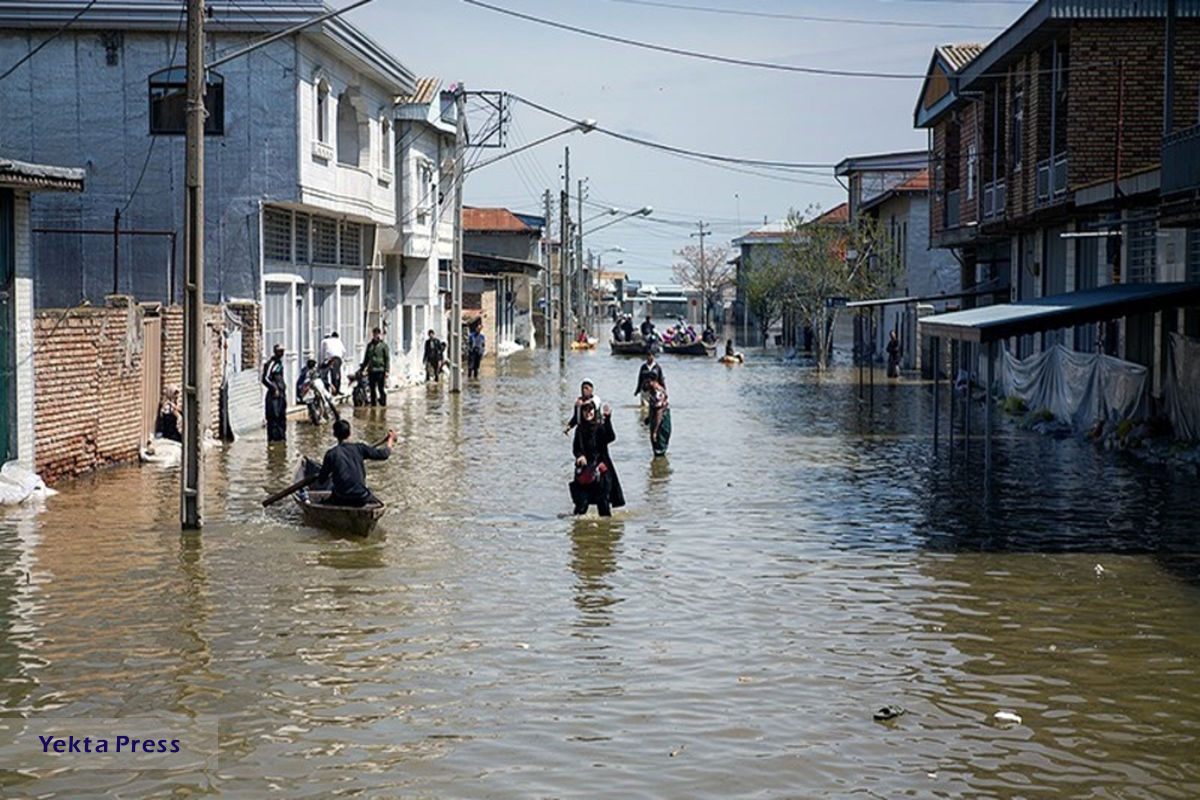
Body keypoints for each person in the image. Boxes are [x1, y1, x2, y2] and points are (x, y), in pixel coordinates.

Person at [316, 419, 396, 507]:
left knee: (326, 498)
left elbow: (321, 480)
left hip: (341, 498)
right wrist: (390, 441)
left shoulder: (331, 454)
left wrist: (329, 472)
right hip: (361, 498)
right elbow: (384, 454)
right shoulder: (360, 448)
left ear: (334, 435)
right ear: (349, 433)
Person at [569, 402, 625, 516]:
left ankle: (605, 529)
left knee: (603, 502)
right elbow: (576, 448)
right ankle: (578, 529)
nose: (588, 413)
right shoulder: (580, 429)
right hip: (585, 469)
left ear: (595, 412)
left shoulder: (600, 427)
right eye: (585, 411)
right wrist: (579, 456)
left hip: (602, 467)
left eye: (590, 410)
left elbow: (611, 437)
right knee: (581, 504)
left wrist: (608, 419)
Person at [261, 343, 288, 442]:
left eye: (283, 351)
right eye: (280, 351)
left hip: (281, 395)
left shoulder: (279, 364)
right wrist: (274, 388)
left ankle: (281, 440)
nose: (282, 353)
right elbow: (265, 378)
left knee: (282, 418)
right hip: (273, 397)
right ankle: (273, 440)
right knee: (273, 418)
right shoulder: (271, 364)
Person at [360, 327, 390, 406]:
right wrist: (362, 368)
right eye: (374, 334)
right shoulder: (370, 346)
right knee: (372, 389)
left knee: (380, 388)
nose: (376, 335)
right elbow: (366, 358)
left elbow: (387, 358)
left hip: (380, 369)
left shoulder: (383, 346)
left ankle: (383, 403)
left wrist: (387, 370)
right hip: (372, 370)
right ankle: (373, 405)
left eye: (377, 334)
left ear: (380, 334)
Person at [646, 377, 671, 457]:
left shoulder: (657, 394)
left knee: (659, 442)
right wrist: (648, 418)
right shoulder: (658, 389)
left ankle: (660, 464)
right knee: (658, 443)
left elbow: (659, 413)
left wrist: (655, 431)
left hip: (661, 420)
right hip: (658, 417)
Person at [319, 331, 346, 395]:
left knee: (325, 374)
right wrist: (342, 359)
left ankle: (328, 389)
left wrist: (321, 362)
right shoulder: (338, 341)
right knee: (337, 374)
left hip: (329, 359)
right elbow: (344, 351)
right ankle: (337, 390)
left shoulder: (324, 341)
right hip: (337, 358)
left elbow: (322, 353)